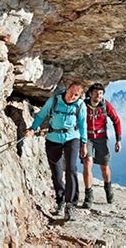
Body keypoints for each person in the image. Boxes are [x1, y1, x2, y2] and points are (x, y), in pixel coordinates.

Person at [25, 82, 87, 221]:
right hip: (53, 138)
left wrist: (83, 143)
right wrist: (33, 128)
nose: (72, 96)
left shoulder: (81, 105)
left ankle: (70, 205)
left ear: (80, 96)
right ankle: (61, 202)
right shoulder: (54, 101)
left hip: (72, 138)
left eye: (76, 95)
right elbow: (41, 116)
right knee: (57, 173)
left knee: (71, 168)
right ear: (67, 90)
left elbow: (83, 124)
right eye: (71, 92)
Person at [81, 83, 122, 209]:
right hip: (86, 138)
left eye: (100, 94)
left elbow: (116, 120)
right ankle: (89, 196)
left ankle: (108, 188)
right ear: (90, 93)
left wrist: (118, 140)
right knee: (87, 163)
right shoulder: (82, 105)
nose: (98, 96)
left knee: (104, 167)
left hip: (102, 138)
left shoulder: (105, 105)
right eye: (95, 93)